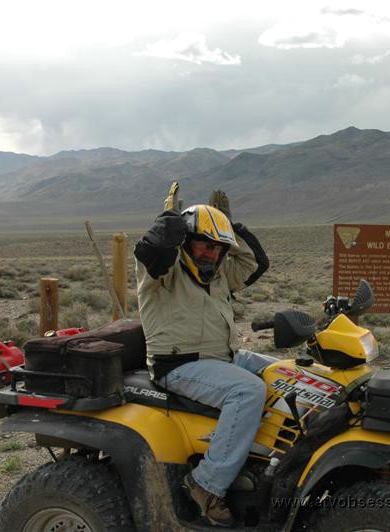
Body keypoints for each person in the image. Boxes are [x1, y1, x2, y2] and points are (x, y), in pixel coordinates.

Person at [134, 191, 271, 526]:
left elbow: (256, 264)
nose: (211, 254)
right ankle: (206, 484)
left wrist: (230, 229)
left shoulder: (218, 272)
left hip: (223, 357)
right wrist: (167, 224)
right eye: (204, 245)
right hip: (179, 364)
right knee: (249, 391)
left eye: (217, 248)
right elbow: (151, 252)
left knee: (283, 373)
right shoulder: (162, 273)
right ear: (186, 241)